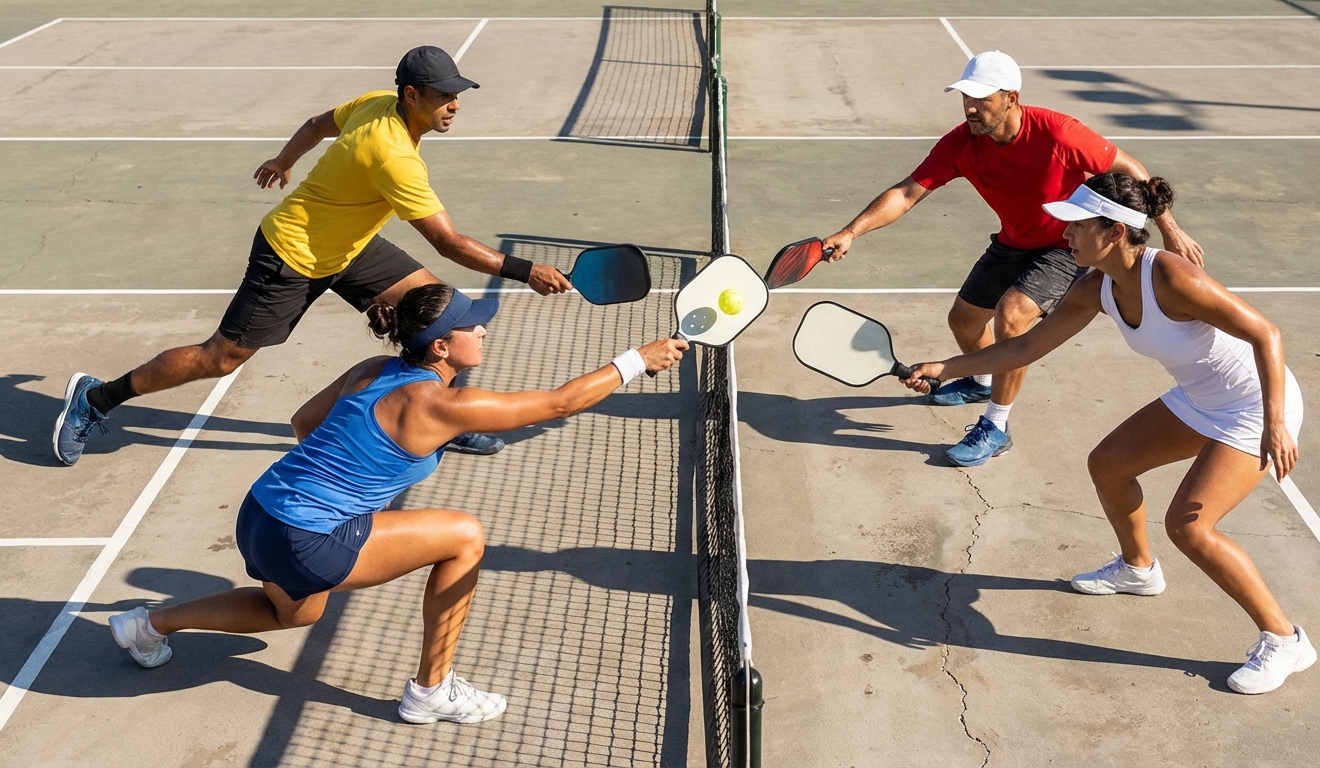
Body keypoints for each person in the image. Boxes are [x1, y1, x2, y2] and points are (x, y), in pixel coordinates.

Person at [106, 283, 688, 722]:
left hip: (262, 511)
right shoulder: (440, 407)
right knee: (464, 536)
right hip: (306, 535)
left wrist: (348, 485)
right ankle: (431, 691)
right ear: (442, 345)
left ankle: (147, 625)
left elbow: (305, 421)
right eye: (473, 327)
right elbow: (559, 404)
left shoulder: (373, 368)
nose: (484, 331)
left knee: (293, 615)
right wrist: (637, 359)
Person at [53, 45, 573, 466]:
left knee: (444, 316)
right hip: (293, 252)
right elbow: (449, 242)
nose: (454, 105)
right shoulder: (394, 157)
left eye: (458, 95)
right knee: (221, 359)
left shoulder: (377, 103)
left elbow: (316, 122)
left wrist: (284, 161)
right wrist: (527, 271)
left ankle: (442, 419)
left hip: (347, 245)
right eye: (443, 96)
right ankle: (96, 398)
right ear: (411, 94)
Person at [901, 172, 1313, 694]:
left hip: (1253, 406)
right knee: (1109, 464)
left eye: (1076, 225)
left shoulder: (1171, 276)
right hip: (1201, 398)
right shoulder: (1096, 287)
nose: (1064, 233)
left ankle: (1285, 639)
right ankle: (1138, 570)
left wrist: (1276, 422)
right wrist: (948, 366)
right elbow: (1025, 348)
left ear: (1115, 231)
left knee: (1190, 527)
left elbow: (1265, 333)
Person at [821, 50, 1202, 467]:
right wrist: (851, 231)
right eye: (966, 96)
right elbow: (908, 191)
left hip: (1066, 244)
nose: (970, 106)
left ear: (1011, 98)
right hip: (1014, 240)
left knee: (1012, 315)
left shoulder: (1060, 134)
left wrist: (1170, 229)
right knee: (963, 320)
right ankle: (983, 381)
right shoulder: (961, 143)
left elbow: (1133, 170)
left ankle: (996, 426)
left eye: (982, 98)